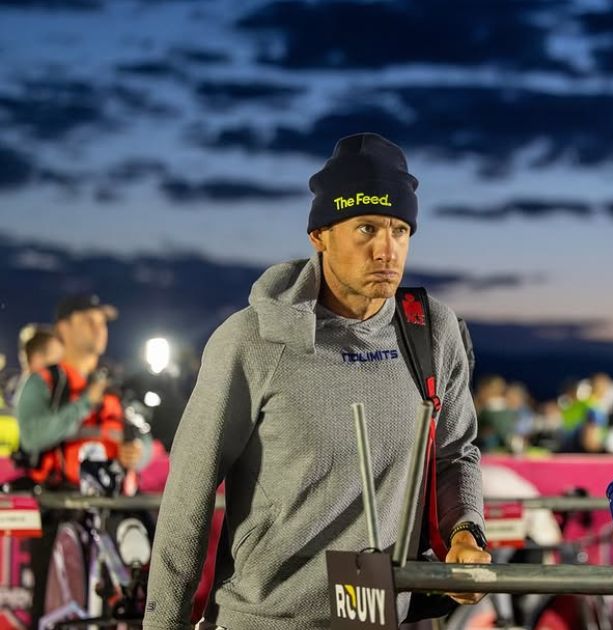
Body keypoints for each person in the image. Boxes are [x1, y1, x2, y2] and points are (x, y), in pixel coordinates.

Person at [144, 133, 490, 629]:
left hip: (381, 617)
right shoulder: (251, 341)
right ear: (320, 234)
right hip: (265, 618)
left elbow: (456, 454)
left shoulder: (432, 331)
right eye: (366, 228)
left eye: (399, 230)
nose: (386, 250)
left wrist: (465, 532)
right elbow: (188, 496)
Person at [15, 294, 149, 624]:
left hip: (109, 510)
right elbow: (33, 435)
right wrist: (85, 404)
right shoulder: (43, 383)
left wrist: (138, 454)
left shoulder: (114, 387)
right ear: (63, 328)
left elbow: (143, 439)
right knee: (48, 602)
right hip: (56, 509)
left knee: (122, 598)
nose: (99, 328)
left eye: (102, 322)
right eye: (88, 320)